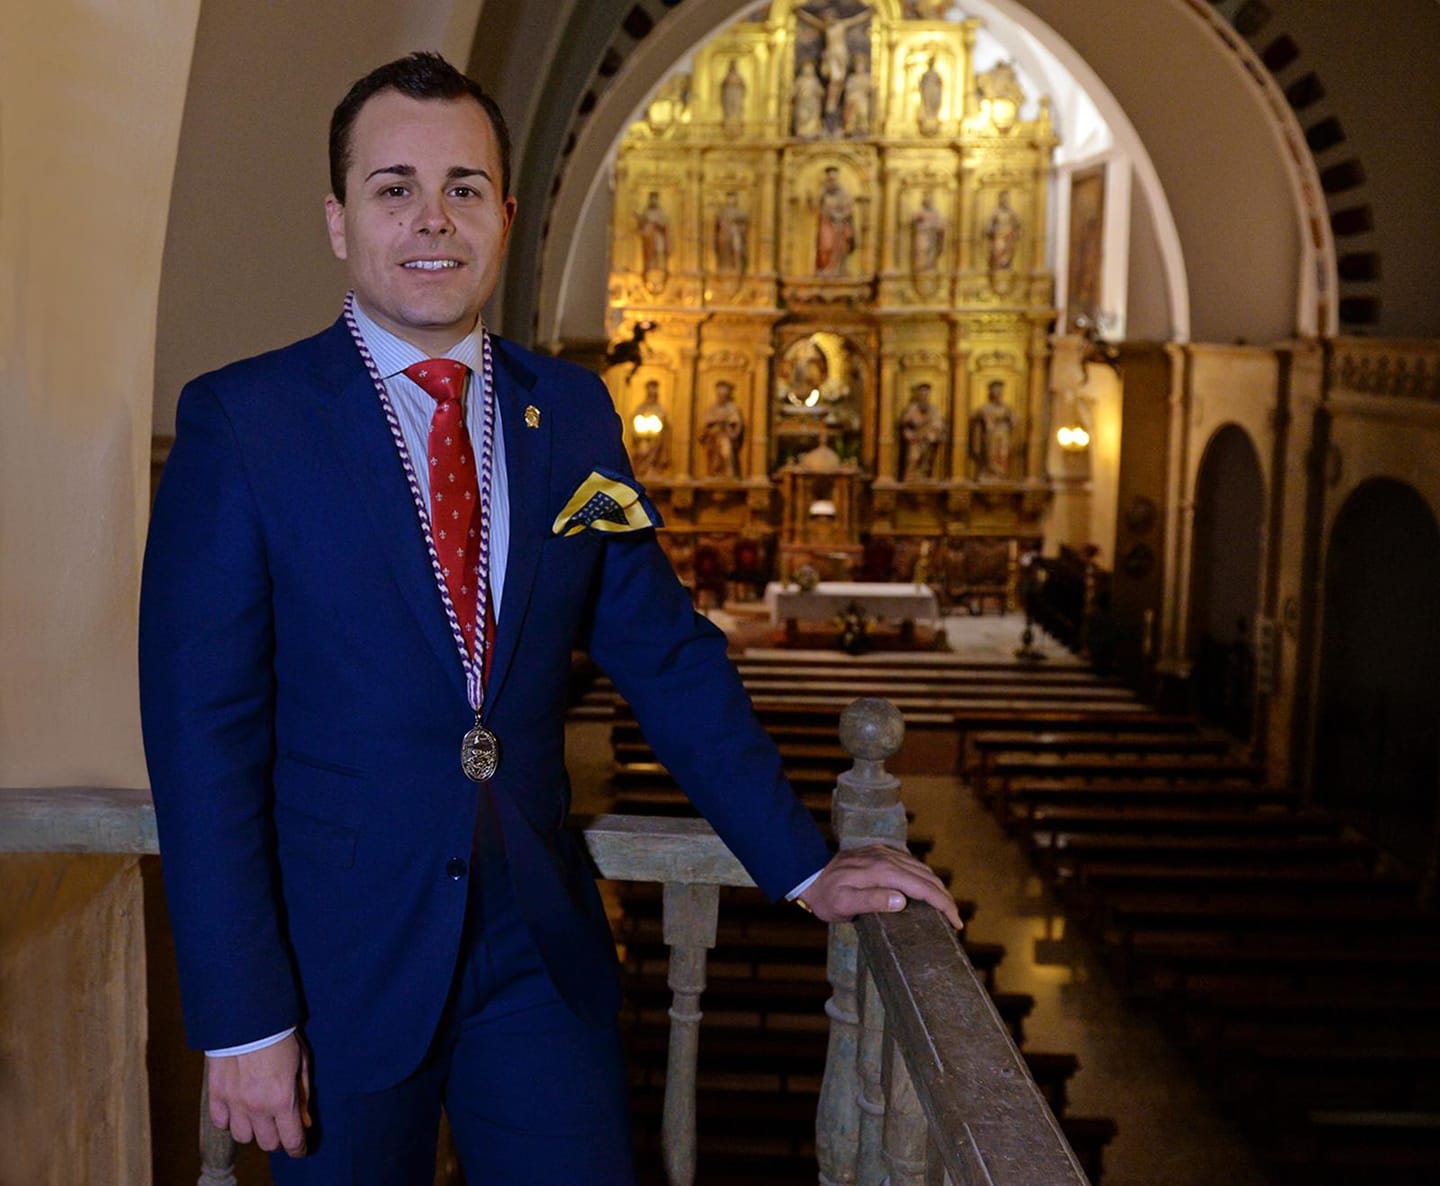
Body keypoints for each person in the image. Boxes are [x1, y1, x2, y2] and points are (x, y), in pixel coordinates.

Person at [138, 51, 958, 1186]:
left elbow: (664, 653)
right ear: (339, 221)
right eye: (395, 189)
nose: (434, 219)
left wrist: (802, 863)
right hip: (338, 968)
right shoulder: (245, 421)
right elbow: (200, 741)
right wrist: (240, 1015)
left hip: (536, 952)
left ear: (506, 217)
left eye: (464, 188)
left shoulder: (566, 413)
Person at [969, 378, 1019, 479]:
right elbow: (975, 417)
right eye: (995, 391)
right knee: (989, 455)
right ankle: (989, 472)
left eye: (999, 391)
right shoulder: (985, 407)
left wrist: (1009, 420)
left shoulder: (1006, 407)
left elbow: (1014, 419)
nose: (997, 394)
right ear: (991, 393)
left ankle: (1000, 474)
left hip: (1003, 436)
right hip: (989, 437)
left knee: (1002, 455)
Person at [814, 165, 856, 276]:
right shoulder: (823, 191)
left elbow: (849, 208)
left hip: (840, 224)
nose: (832, 181)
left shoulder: (844, 193)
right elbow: (814, 205)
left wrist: (840, 216)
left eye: (834, 178)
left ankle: (837, 271)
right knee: (825, 246)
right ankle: (825, 269)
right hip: (825, 222)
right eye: (829, 178)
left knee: (839, 248)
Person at [899, 381, 945, 480]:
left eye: (926, 393)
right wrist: (909, 433)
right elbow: (904, 424)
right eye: (921, 393)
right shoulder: (911, 408)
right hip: (915, 440)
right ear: (918, 394)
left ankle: (925, 475)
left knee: (927, 461)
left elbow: (938, 424)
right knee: (914, 459)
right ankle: (911, 476)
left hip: (928, 440)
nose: (924, 396)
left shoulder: (934, 409)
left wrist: (932, 432)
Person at [700, 380, 745, 477]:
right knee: (713, 457)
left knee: (726, 453)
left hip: (726, 436)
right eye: (719, 393)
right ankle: (714, 473)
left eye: (724, 394)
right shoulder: (712, 408)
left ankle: (728, 473)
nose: (721, 396)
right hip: (713, 437)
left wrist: (731, 431)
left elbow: (737, 424)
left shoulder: (732, 408)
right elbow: (705, 424)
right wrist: (712, 426)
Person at [713, 190, 749, 275]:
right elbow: (717, 225)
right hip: (724, 235)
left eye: (733, 198)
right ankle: (724, 269)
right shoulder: (722, 212)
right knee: (724, 253)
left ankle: (738, 269)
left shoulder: (740, 213)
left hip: (735, 234)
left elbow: (744, 225)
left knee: (737, 251)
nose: (731, 200)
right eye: (729, 198)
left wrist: (739, 229)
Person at [636, 190, 670, 275]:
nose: (653, 201)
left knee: (659, 252)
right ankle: (649, 268)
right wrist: (641, 221)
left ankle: (660, 268)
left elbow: (664, 224)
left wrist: (656, 223)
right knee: (649, 254)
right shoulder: (646, 212)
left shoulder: (661, 212)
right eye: (652, 199)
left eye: (655, 199)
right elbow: (641, 226)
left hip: (658, 237)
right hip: (648, 238)